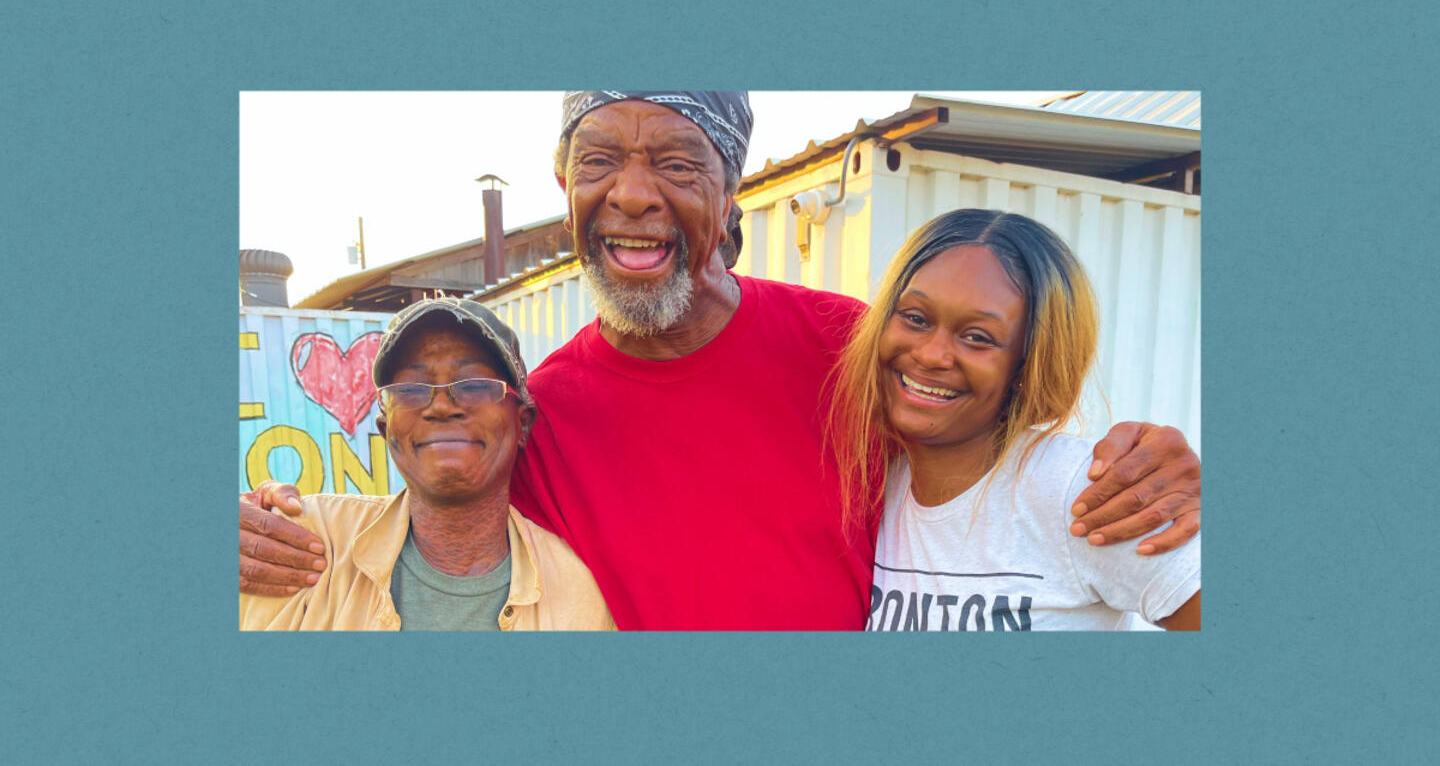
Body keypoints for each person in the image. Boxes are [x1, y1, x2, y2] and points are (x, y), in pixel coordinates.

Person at [240, 91, 1203, 630]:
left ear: (731, 191)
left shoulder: (851, 347)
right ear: (564, 189)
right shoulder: (541, 410)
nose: (632, 195)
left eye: (676, 162)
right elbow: (421, 514)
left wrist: (1146, 465)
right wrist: (253, 529)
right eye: (598, 160)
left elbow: (986, 439)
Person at [830, 210, 1199, 631]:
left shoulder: (1084, 492)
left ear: (1030, 365)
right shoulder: (873, 481)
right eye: (916, 318)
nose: (932, 354)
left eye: (977, 338)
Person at [240, 297, 614, 631]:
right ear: (387, 429)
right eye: (411, 389)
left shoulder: (578, 590)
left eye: (474, 384)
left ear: (522, 424)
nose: (441, 405)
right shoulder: (306, 544)